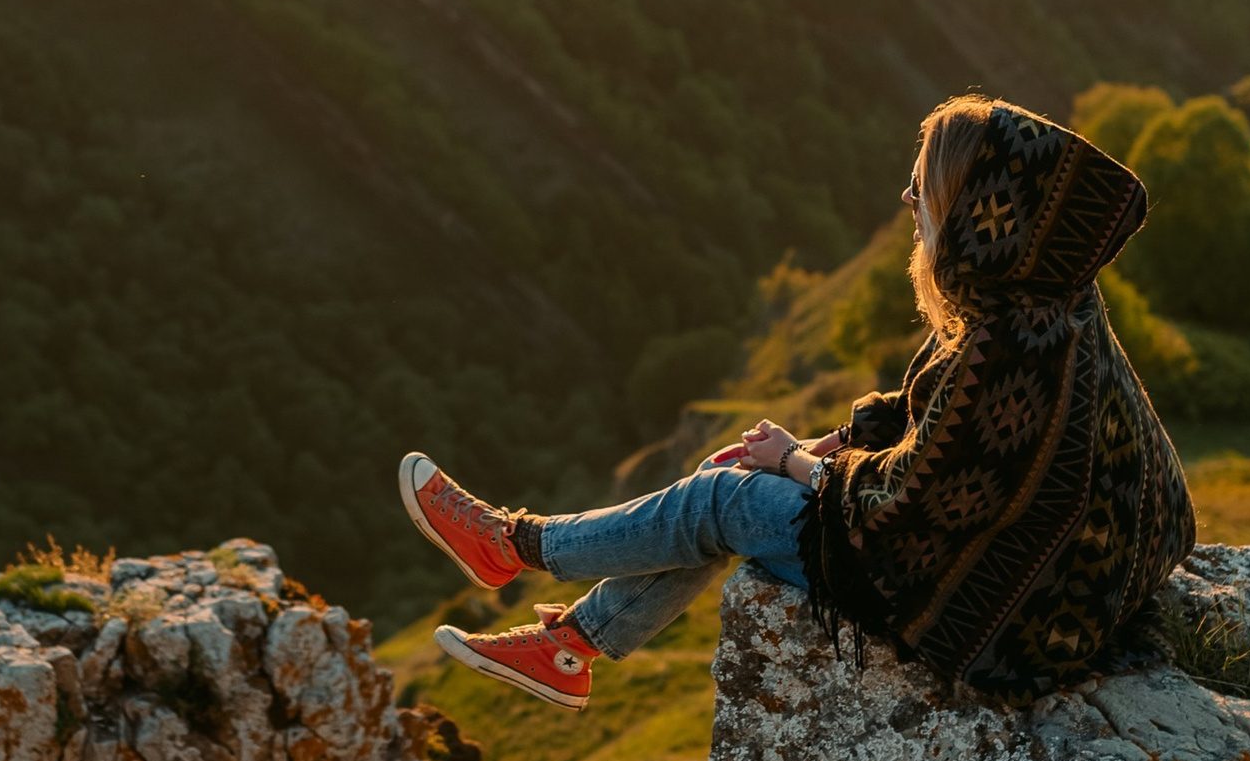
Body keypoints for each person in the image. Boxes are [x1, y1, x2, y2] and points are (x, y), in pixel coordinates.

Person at [397, 94, 1197, 708]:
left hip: (1000, 612)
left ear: (970, 211)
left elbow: (905, 504)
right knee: (729, 487)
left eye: (923, 191)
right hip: (1055, 578)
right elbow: (939, 426)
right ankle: (571, 647)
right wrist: (822, 444)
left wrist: (797, 464)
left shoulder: (1007, 343)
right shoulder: (1042, 293)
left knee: (721, 499)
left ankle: (514, 546)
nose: (909, 204)